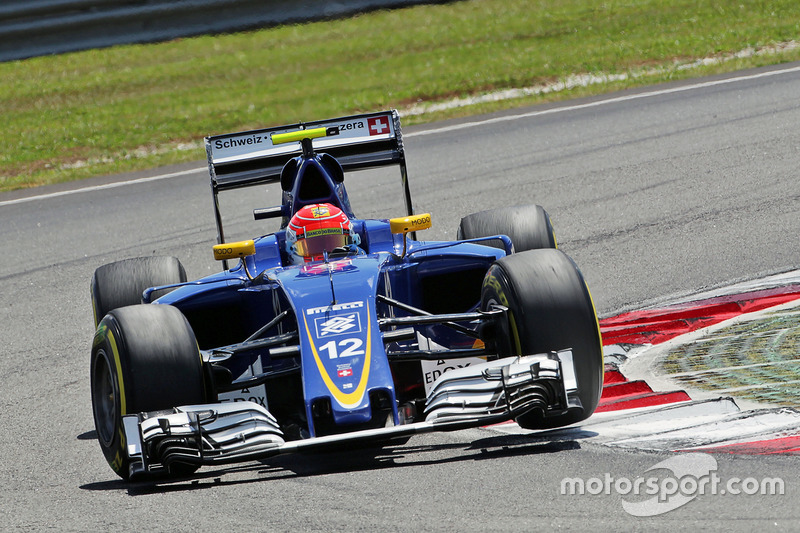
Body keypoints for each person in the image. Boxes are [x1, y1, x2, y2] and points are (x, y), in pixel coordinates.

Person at [284, 203, 361, 264]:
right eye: (314, 246)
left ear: (354, 240)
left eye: (334, 243)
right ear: (291, 248)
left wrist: (359, 253)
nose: (325, 257)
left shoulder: (355, 252)